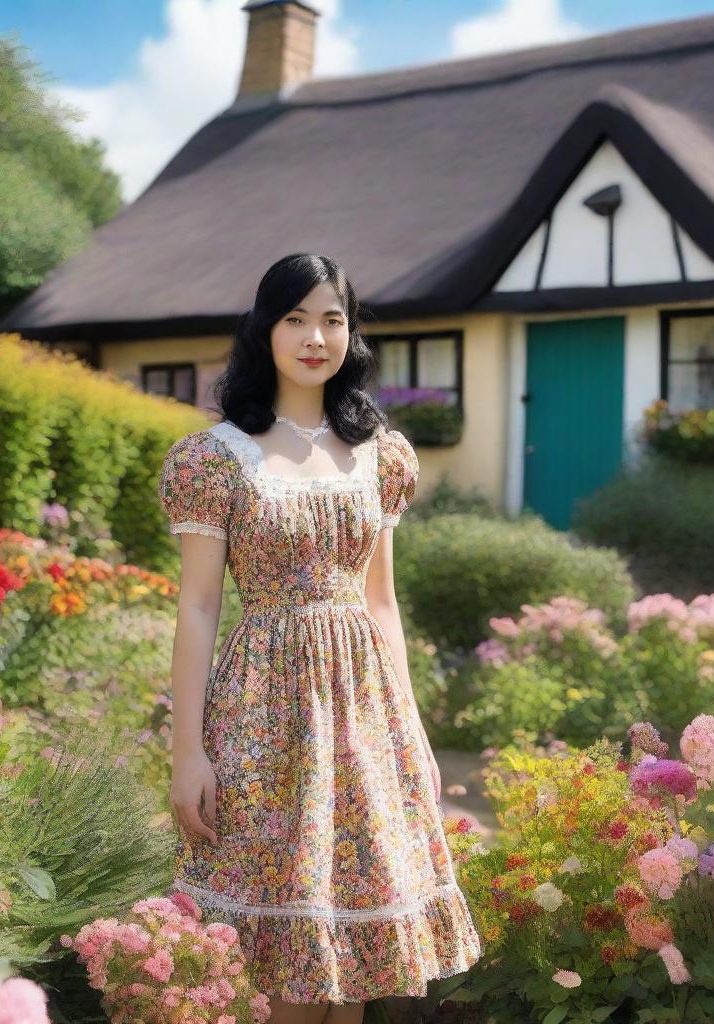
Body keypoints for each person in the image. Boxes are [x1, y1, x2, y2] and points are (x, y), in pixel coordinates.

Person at [159, 253, 483, 1024]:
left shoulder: (380, 453)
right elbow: (199, 607)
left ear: (351, 332)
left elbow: (382, 602)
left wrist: (413, 731)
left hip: (365, 713)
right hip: (264, 714)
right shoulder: (215, 458)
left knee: (359, 964)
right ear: (264, 330)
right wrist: (188, 751)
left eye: (332, 319)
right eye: (296, 318)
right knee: (284, 966)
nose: (315, 336)